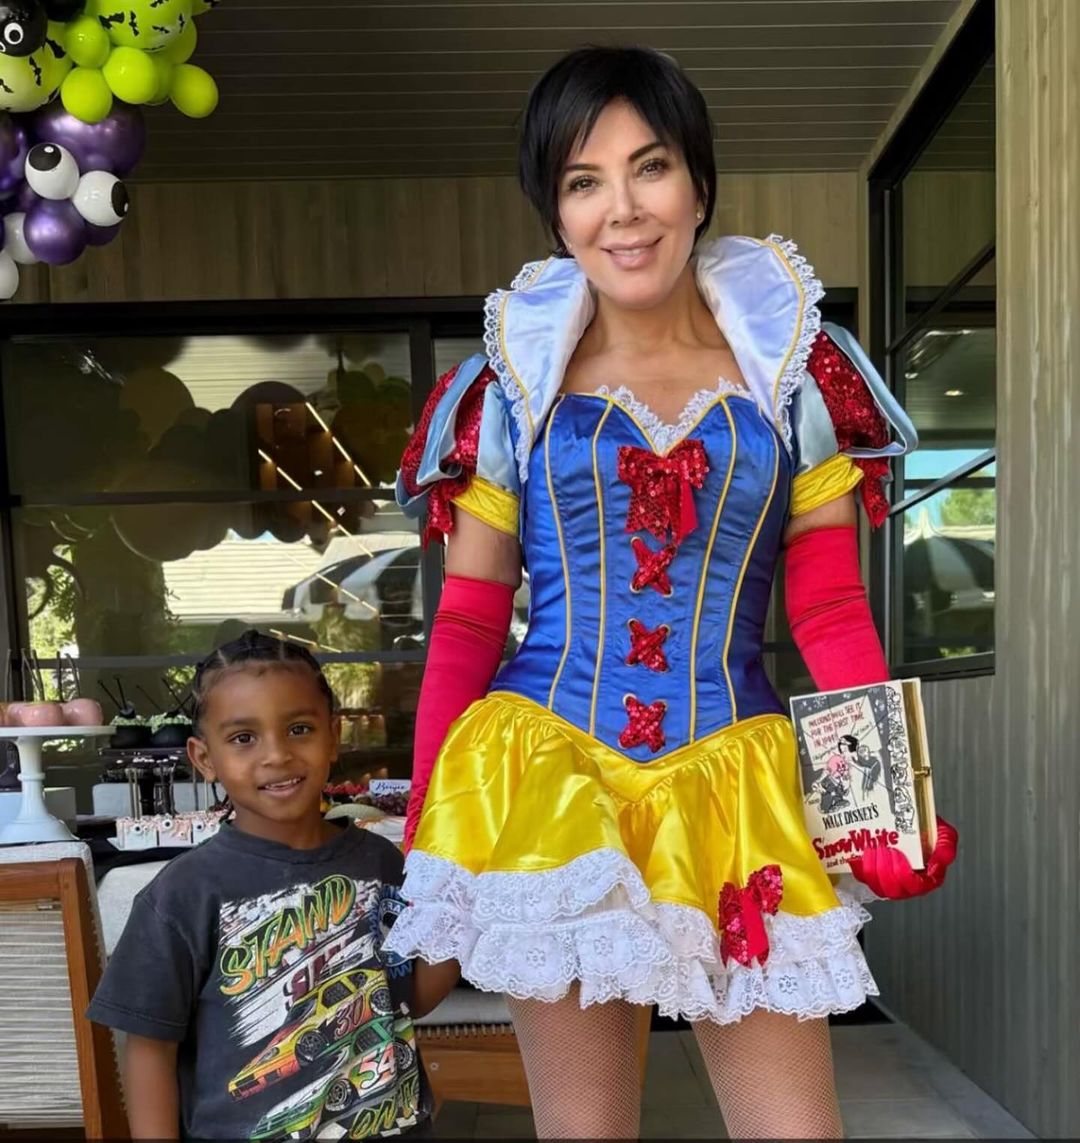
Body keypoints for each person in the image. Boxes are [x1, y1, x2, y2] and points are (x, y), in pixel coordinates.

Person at [384, 46, 958, 1140]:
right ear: (555, 212)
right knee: (587, 1130)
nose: (622, 210)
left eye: (648, 168)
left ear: (697, 181)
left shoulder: (795, 378)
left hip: (735, 783)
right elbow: (467, 617)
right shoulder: (509, 392)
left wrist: (883, 804)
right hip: (549, 777)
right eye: (582, 182)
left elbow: (829, 608)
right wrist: (429, 817)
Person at [87, 631, 458, 1141]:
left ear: (334, 736)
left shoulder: (380, 862)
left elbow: (407, 996)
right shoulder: (184, 892)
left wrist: (461, 906)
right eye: (244, 738)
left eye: (299, 729)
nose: (276, 755)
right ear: (204, 757)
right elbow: (150, 1045)